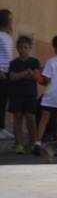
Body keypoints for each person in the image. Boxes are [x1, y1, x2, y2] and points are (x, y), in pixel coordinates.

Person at [8, 35, 40, 154]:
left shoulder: (34, 61)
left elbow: (37, 77)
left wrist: (20, 75)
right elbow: (12, 77)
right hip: (16, 95)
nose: (23, 50)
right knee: (17, 119)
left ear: (30, 48)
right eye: (20, 47)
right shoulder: (13, 63)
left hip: (30, 95)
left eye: (25, 47)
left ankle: (33, 143)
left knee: (31, 119)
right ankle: (19, 144)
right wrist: (26, 72)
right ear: (17, 48)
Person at [0, 9, 14, 140]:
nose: (11, 21)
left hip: (8, 74)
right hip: (1, 74)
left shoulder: (8, 36)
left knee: (3, 102)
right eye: (9, 19)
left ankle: (2, 128)